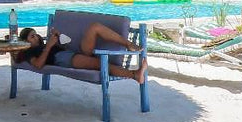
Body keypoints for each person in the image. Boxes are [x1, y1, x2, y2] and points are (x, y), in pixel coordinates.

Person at [13, 24, 146, 82]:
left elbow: (60, 48)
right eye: (32, 37)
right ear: (26, 42)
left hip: (72, 52)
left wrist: (58, 39)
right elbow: (38, 64)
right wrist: (48, 46)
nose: (36, 37)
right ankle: (134, 75)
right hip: (65, 60)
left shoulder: (42, 46)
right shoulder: (30, 52)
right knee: (101, 64)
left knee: (95, 27)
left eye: (36, 34)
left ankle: (128, 44)